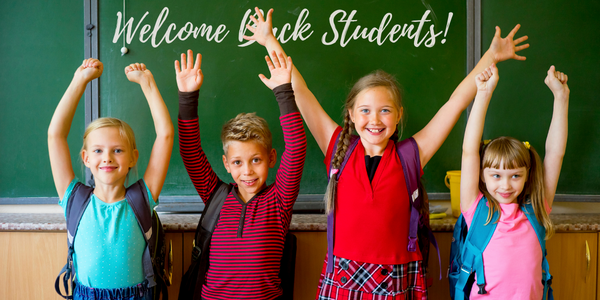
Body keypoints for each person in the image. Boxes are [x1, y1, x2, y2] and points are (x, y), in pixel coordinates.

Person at [243, 7, 531, 299]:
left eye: (385, 111)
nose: (375, 119)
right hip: (342, 277)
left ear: (398, 117)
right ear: (352, 115)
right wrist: (269, 40)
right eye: (366, 111)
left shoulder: (409, 155)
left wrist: (491, 56)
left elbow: (454, 103)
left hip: (397, 279)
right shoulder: (337, 150)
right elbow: (301, 93)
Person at [175, 49, 306, 299]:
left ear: (271, 159)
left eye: (255, 160)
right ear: (226, 163)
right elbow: (190, 152)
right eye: (237, 162)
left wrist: (284, 92)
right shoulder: (217, 197)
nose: (247, 171)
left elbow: (297, 147)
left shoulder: (279, 201)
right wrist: (187, 97)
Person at [48, 58, 174, 299]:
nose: (107, 158)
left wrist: (148, 85)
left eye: (117, 150)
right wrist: (80, 80)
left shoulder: (143, 198)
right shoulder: (74, 198)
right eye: (98, 151)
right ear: (85, 158)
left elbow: (165, 135)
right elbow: (55, 135)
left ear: (133, 158)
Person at [459, 63, 569, 299]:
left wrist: (561, 98)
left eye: (515, 176)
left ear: (527, 174)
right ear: (482, 175)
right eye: (496, 176)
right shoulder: (476, 209)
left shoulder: (536, 209)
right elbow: (469, 150)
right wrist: (483, 94)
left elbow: (555, 153)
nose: (506, 185)